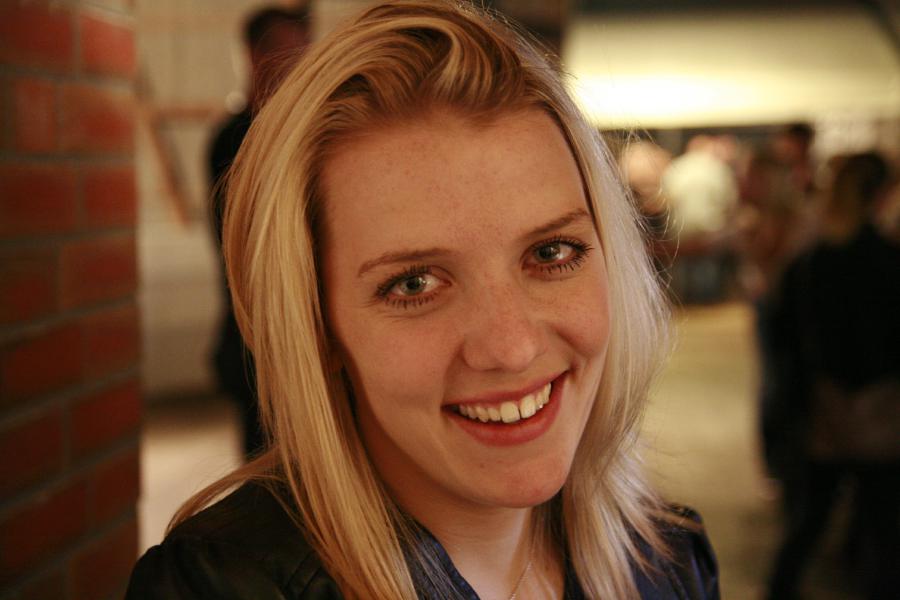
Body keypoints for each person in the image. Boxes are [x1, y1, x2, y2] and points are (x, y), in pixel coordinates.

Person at [128, 2, 719, 598]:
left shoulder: (670, 560)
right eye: (414, 284)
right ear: (315, 323)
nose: (512, 347)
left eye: (551, 253)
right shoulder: (219, 587)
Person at [765, 152, 900, 600]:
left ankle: (781, 590)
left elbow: (784, 337)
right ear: (881, 195)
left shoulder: (810, 262)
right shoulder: (887, 259)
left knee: (810, 518)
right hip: (882, 413)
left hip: (823, 410)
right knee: (884, 527)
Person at [208, 6, 310, 458]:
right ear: (255, 56)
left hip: (299, 327)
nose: (298, 67)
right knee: (265, 466)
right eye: (288, 54)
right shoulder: (233, 140)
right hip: (257, 334)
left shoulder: (298, 130)